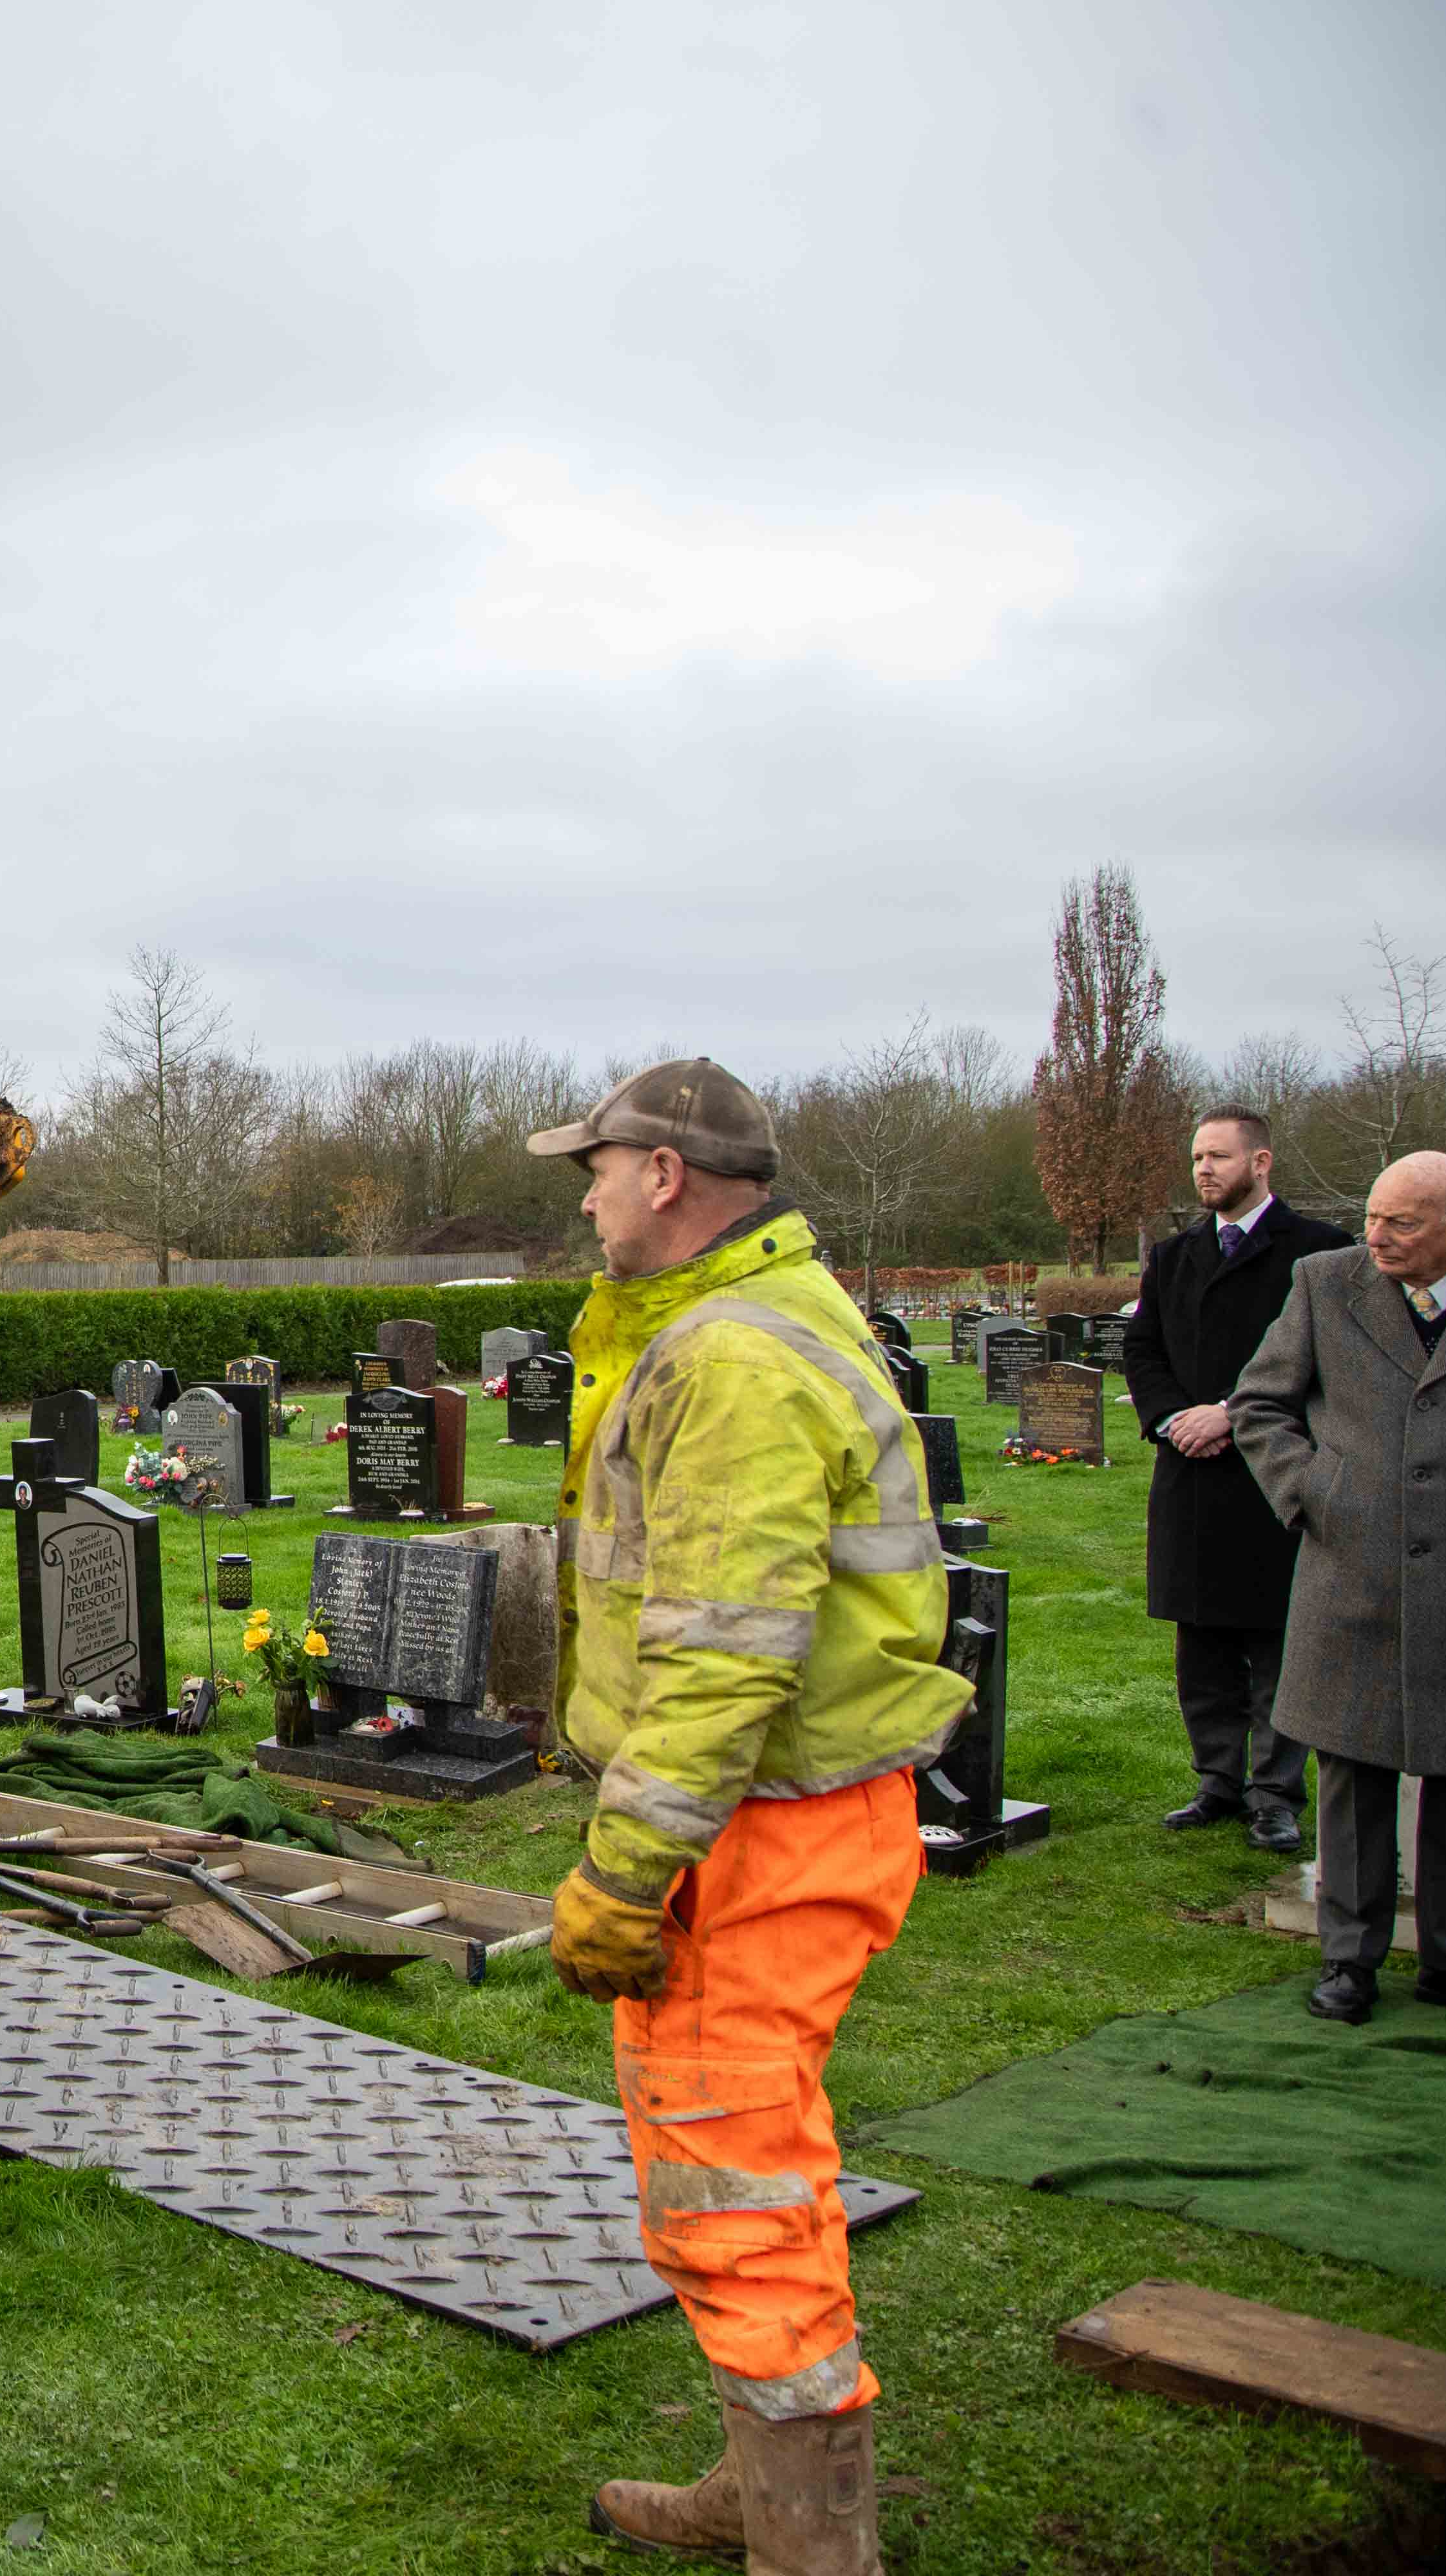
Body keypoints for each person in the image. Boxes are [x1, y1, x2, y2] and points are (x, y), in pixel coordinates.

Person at [529, 1058, 970, 2576]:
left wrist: (623, 1866)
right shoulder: (742, 1321)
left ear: (663, 1174)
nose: (580, 1193)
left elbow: (725, 1656)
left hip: (759, 1834)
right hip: (771, 1818)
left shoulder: (731, 1359)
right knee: (714, 2164)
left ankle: (808, 2545)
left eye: (592, 1166)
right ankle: (755, 2484)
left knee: (737, 2189)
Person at [1228, 1149, 1446, 2029]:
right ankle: (1349, 1958)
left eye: (1404, 1223)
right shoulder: (1326, 1284)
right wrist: (1313, 1490)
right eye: (1372, 1217)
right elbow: (1259, 1405)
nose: (1378, 1237)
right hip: (1351, 1572)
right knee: (1352, 1769)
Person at [1122, 1107, 1351, 1854]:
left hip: (1270, 1475)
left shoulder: (1318, 1251)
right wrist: (1170, 1417)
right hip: (1189, 1475)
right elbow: (1144, 1348)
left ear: (1261, 1163)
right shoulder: (1174, 1254)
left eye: (1219, 1156)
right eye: (1196, 1158)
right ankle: (1216, 1782)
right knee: (1203, 1646)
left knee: (1276, 1644)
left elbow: (1329, 1365)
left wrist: (1229, 1413)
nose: (1204, 1170)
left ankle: (1276, 1794)